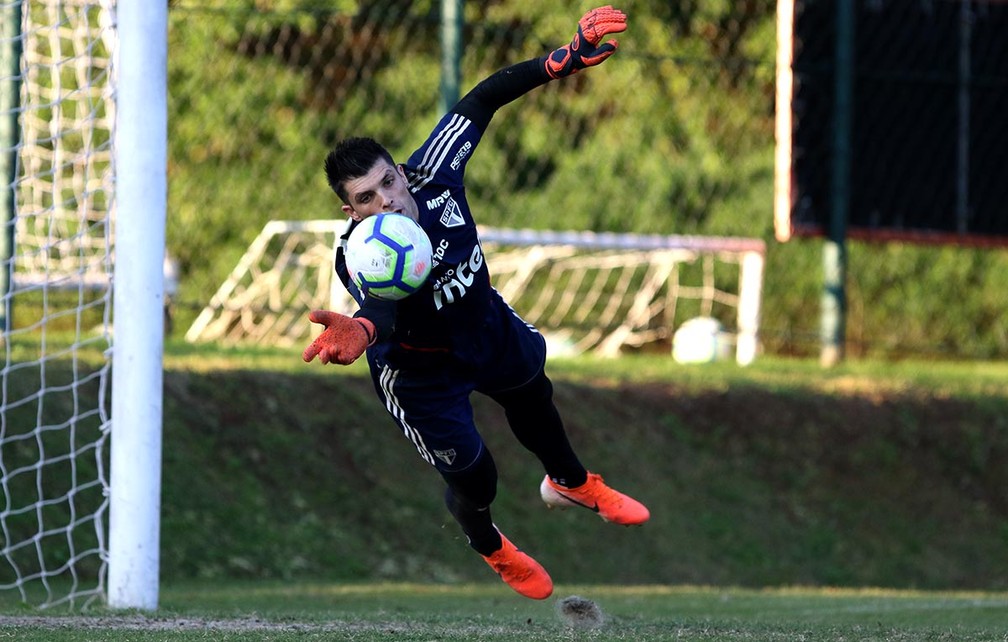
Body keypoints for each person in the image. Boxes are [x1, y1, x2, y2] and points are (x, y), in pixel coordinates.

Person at [303, 5, 648, 601]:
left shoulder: (434, 172)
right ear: (350, 211)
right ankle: (491, 545)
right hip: (420, 372)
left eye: (388, 182)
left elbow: (482, 100)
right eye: (366, 198)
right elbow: (382, 311)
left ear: (401, 172)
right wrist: (361, 330)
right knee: (475, 477)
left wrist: (559, 61)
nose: (387, 201)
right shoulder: (361, 254)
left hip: (483, 324)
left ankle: (571, 482)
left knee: (532, 391)